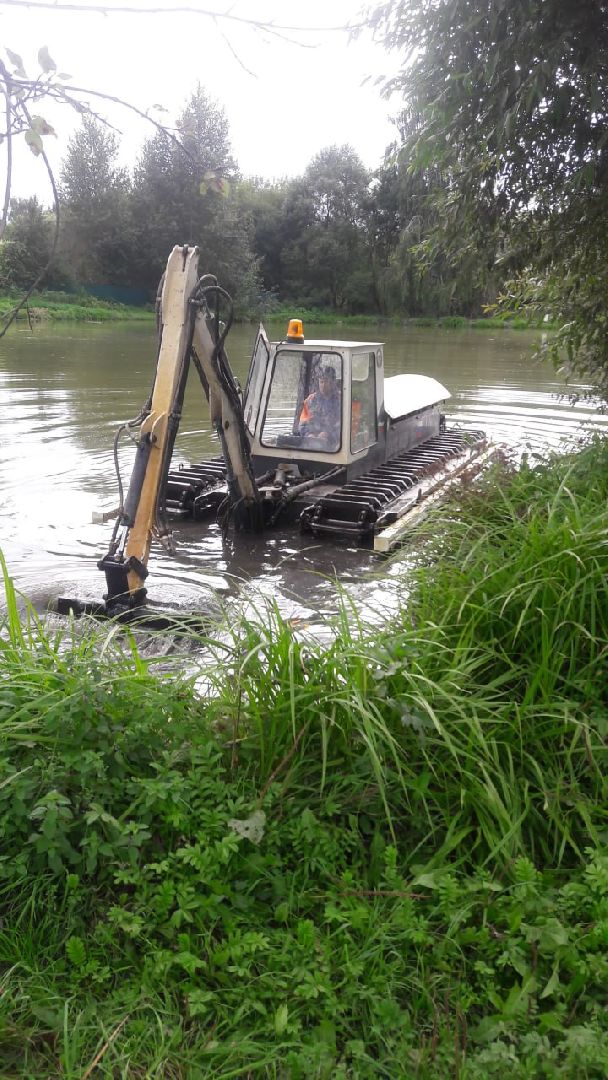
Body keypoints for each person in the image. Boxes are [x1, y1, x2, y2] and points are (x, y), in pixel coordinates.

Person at [298, 366, 341, 449]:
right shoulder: (310, 400)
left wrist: (328, 434)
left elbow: (345, 426)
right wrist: (308, 434)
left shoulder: (342, 400)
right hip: (312, 441)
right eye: (321, 382)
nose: (323, 385)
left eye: (327, 381)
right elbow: (303, 423)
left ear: (333, 382)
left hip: (334, 443)